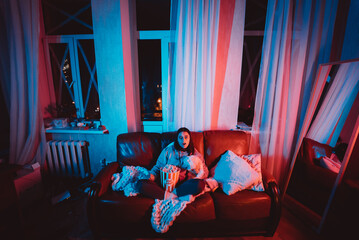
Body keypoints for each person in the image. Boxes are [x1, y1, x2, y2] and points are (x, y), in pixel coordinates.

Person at [137, 127, 209, 200]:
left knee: (200, 185)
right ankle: (171, 196)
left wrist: (195, 170)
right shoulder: (169, 150)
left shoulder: (195, 154)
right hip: (166, 184)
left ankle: (172, 194)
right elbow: (158, 166)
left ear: (190, 139)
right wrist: (152, 176)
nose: (183, 140)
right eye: (180, 138)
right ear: (177, 139)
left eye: (186, 137)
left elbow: (205, 173)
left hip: (183, 186)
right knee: (140, 184)